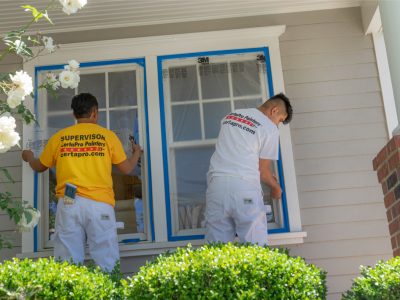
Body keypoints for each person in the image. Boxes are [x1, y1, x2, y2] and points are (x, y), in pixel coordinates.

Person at [22, 93, 141, 272]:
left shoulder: (60, 137)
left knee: (67, 261)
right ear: (94, 113)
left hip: (70, 203)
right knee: (106, 259)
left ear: (74, 114)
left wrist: (30, 157)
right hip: (100, 204)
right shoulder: (107, 136)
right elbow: (126, 169)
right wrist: (137, 153)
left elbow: (40, 166)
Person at [205, 93, 293, 246]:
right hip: (244, 189)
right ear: (274, 111)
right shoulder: (269, 128)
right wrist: (275, 188)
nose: (277, 125)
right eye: (280, 120)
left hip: (216, 188)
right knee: (255, 247)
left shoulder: (231, 116)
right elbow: (263, 172)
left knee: (217, 249)